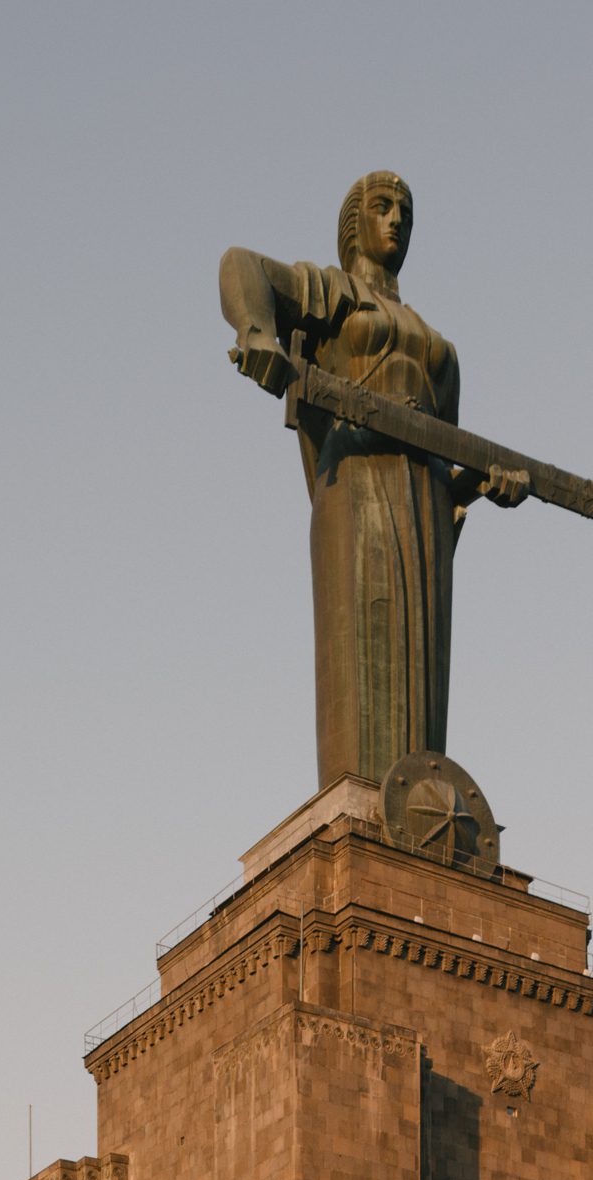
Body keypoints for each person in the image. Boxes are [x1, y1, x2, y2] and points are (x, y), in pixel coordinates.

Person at [218, 173, 529, 793]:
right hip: (356, 479)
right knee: (363, 645)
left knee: (423, 661)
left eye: (405, 214)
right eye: (382, 208)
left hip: (425, 504)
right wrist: (256, 333)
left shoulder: (441, 347)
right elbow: (240, 265)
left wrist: (486, 485)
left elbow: (451, 461)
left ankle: (419, 800)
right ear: (354, 223)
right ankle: (358, 798)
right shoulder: (334, 293)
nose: (396, 222)